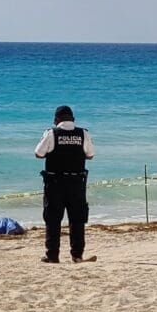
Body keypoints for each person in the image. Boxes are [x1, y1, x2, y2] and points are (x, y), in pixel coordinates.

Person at [35, 105, 95, 263]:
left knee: (53, 220)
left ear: (56, 120)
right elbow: (90, 155)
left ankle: (52, 256)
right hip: (76, 183)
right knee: (77, 220)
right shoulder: (83, 133)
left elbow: (38, 153)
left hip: (55, 183)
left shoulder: (51, 133)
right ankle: (77, 255)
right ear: (73, 119)